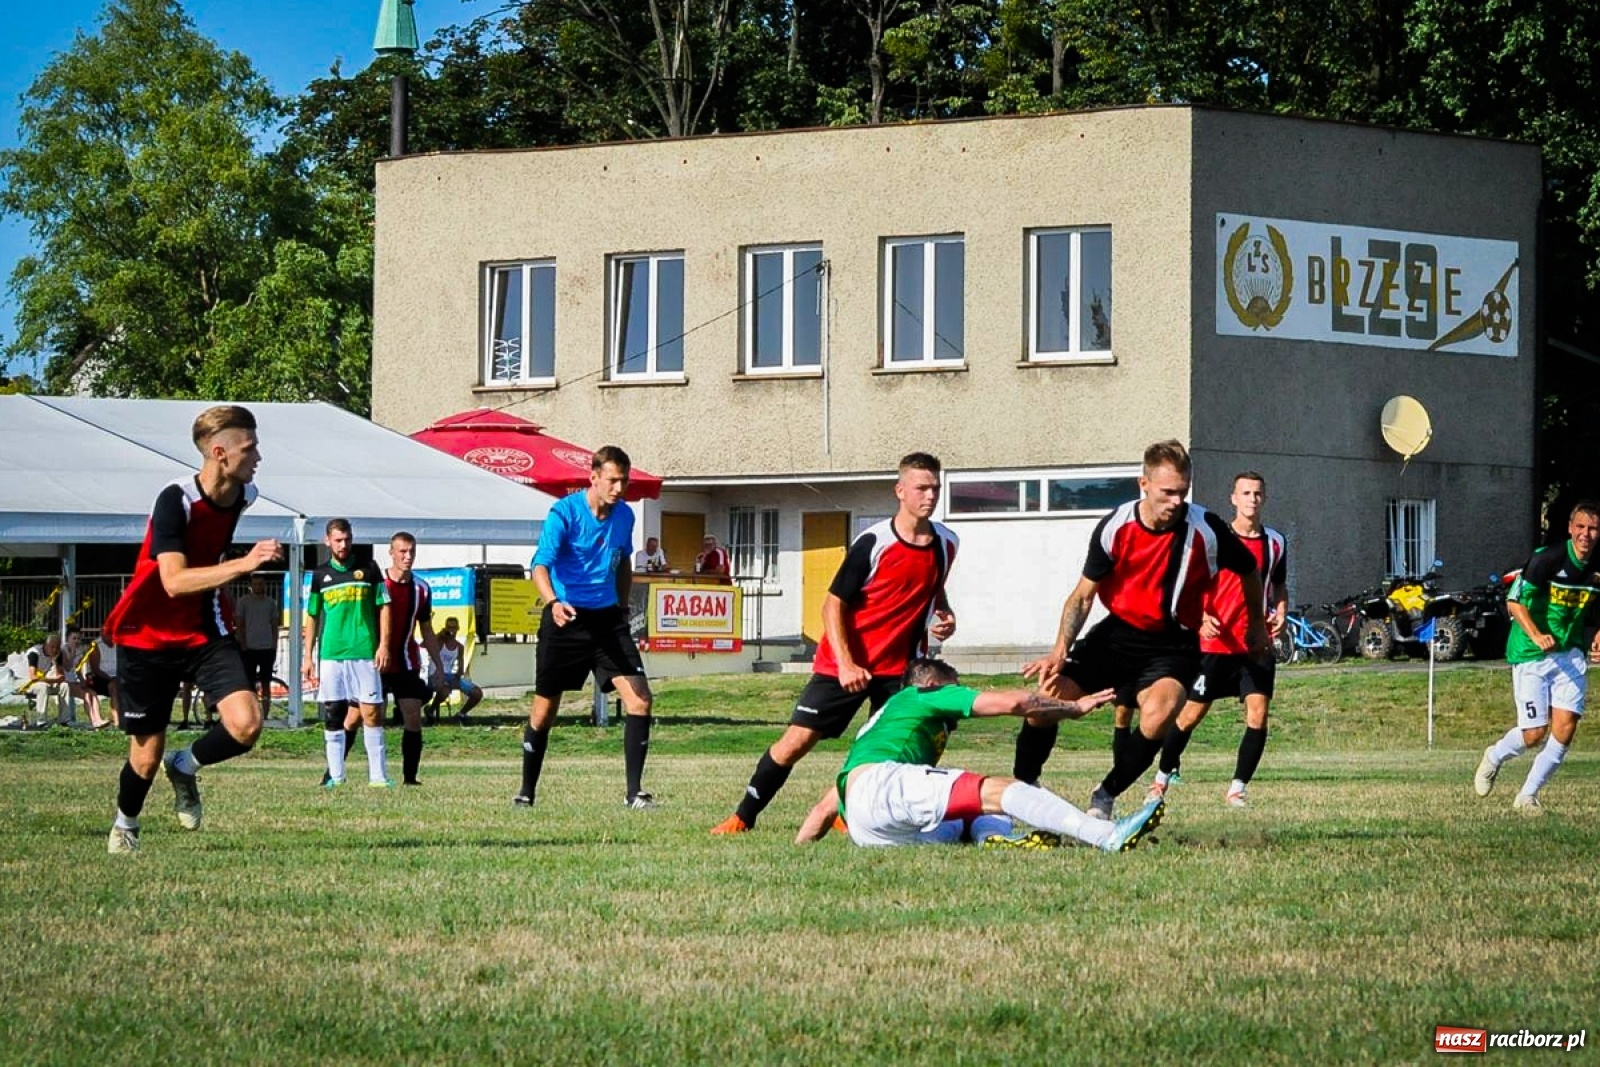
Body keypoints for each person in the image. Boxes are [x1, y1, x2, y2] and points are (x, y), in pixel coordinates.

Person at [1015, 439, 1266, 821]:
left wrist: (1256, 627)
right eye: (1168, 492)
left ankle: (1105, 795)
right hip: (1116, 635)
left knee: (1160, 712)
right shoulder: (1116, 526)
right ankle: (1024, 787)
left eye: (1183, 492)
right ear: (1143, 485)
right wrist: (1059, 649)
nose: (1177, 501)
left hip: (1173, 643)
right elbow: (1083, 597)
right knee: (1045, 701)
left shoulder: (1206, 528)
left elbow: (1248, 569)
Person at [710, 452, 958, 835]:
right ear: (900, 490)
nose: (930, 495)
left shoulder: (947, 542)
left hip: (903, 671)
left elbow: (932, 590)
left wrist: (944, 614)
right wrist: (846, 664)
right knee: (797, 741)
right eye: (921, 487)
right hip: (843, 663)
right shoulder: (874, 542)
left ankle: (844, 812)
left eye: (935, 488)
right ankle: (743, 817)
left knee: (893, 750)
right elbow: (832, 605)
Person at [101, 404, 284, 854]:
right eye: (250, 446)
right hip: (148, 631)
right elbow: (174, 581)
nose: (258, 455)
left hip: (203, 626)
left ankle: (185, 765)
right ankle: (126, 825)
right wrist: (246, 562)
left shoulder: (246, 493)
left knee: (246, 725)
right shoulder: (175, 500)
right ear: (219, 453)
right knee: (144, 756)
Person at [794, 658, 1164, 851]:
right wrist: (1073, 707)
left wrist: (801, 852)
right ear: (935, 685)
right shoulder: (923, 695)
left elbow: (824, 808)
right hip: (886, 792)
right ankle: (1104, 834)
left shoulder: (876, 732)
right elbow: (1017, 702)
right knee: (1000, 790)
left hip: (869, 827)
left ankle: (995, 842)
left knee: (968, 816)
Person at [519, 445, 655, 809]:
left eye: (624, 480)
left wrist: (624, 606)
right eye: (612, 480)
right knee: (544, 712)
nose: (619, 487)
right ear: (593, 477)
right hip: (566, 618)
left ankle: (634, 794)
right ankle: (526, 791)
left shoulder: (625, 516)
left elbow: (622, 560)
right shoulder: (562, 513)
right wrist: (553, 602)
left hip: (608, 619)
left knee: (640, 700)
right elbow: (540, 566)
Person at [1149, 471, 1288, 808]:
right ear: (1233, 498)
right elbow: (1190, 584)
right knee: (1190, 715)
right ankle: (1161, 779)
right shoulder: (1213, 538)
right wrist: (1200, 618)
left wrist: (1281, 611)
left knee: (1258, 715)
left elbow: (1278, 585)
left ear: (1263, 498)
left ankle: (1237, 789)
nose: (1252, 499)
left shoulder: (1275, 542)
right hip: (1216, 644)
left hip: (1254, 644)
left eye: (1257, 493)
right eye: (1245, 493)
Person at [1474, 501, 1600, 812]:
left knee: (1565, 727)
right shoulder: (1547, 559)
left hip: (1570, 652)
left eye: (1593, 528)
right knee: (1533, 734)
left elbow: (1595, 609)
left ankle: (1527, 796)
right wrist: (1536, 634)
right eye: (1581, 527)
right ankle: (1494, 756)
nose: (1586, 534)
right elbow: (1515, 602)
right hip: (1531, 652)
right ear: (1570, 529)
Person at [303, 518, 391, 788]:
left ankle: (378, 777)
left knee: (372, 713)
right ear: (327, 541)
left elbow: (384, 606)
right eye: (338, 540)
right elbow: (312, 616)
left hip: (364, 651)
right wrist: (308, 656)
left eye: (347, 539)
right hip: (332, 654)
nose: (343, 545)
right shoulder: (320, 575)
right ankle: (336, 776)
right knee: (334, 712)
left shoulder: (369, 569)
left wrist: (383, 644)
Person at [378, 531, 446, 786]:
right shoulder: (379, 584)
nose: (407, 557)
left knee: (413, 715)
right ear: (391, 553)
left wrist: (438, 664)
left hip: (406, 662)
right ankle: (338, 773)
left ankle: (410, 777)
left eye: (411, 552)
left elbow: (427, 630)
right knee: (364, 717)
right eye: (402, 552)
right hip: (377, 661)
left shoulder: (421, 589)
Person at [234, 573, 280, 715]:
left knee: (266, 682)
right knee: (249, 683)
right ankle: (252, 713)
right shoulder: (243, 602)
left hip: (266, 648)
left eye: (260, 584)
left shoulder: (271, 603)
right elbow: (240, 624)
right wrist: (243, 644)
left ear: (264, 585)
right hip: (249, 648)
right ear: (251, 585)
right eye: (255, 584)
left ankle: (265, 714)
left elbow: (274, 625)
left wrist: (274, 644)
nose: (258, 586)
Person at [425, 616, 483, 723]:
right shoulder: (439, 641)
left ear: (457, 629)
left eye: (453, 627)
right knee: (444, 690)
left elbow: (460, 666)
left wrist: (458, 675)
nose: (451, 630)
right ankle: (431, 710)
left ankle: (461, 714)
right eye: (449, 627)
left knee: (477, 693)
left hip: (450, 676)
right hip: (435, 674)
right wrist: (439, 635)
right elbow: (425, 645)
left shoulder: (459, 647)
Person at [25, 632, 71, 728]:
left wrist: (54, 661)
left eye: (57, 647)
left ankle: (64, 720)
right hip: (27, 683)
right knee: (43, 686)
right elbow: (33, 677)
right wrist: (52, 680)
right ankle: (41, 721)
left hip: (46, 681)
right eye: (52, 647)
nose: (54, 650)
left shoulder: (57, 654)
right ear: (46, 645)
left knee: (64, 686)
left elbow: (61, 676)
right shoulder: (34, 652)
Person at [85, 636, 118, 729]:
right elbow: (95, 669)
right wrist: (111, 679)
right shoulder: (96, 645)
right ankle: (117, 721)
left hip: (118, 676)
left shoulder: (120, 643)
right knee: (114, 686)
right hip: (100, 677)